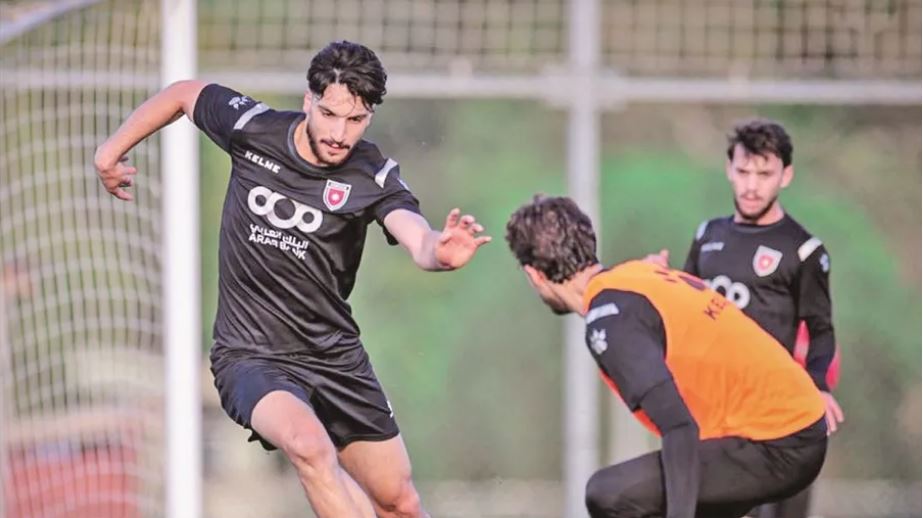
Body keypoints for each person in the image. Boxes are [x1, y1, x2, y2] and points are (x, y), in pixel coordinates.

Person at [95, 41, 491, 518]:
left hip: (335, 358)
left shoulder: (372, 174)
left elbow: (416, 236)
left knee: (398, 502)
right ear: (309, 100)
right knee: (309, 447)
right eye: (329, 114)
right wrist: (110, 152)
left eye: (355, 120)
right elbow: (183, 93)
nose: (339, 134)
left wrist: (439, 251)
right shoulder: (253, 128)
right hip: (250, 356)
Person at [506, 195, 828, 518]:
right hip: (792, 427)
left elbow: (679, 427)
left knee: (609, 494)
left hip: (779, 440)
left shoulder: (611, 316)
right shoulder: (636, 276)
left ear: (535, 275)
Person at [646, 119, 843, 518]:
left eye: (764, 174)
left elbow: (821, 329)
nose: (751, 186)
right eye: (743, 172)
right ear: (729, 170)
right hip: (715, 408)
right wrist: (661, 281)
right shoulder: (708, 235)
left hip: (776, 410)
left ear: (786, 175)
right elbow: (689, 312)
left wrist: (818, 388)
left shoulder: (802, 250)